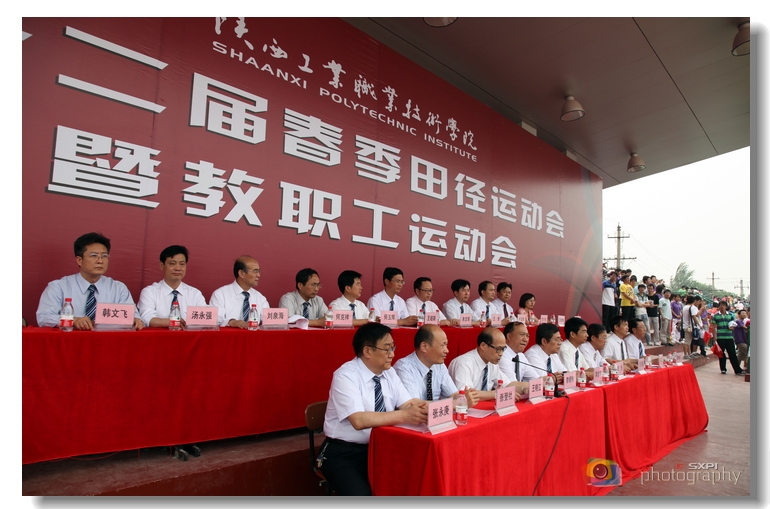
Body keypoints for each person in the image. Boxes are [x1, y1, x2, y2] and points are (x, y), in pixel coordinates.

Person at [319, 323, 427, 496]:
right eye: (387, 349)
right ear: (368, 351)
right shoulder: (346, 375)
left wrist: (431, 408)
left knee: (409, 484)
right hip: (345, 452)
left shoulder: (389, 372)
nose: (392, 354)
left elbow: (408, 404)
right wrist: (404, 415)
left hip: (382, 448)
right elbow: (359, 420)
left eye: (393, 347)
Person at [36, 232, 143, 330]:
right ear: (79, 260)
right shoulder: (58, 287)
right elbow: (44, 317)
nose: (100, 261)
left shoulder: (118, 288)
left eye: (104, 256)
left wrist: (135, 320)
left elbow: (133, 316)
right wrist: (73, 320)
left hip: (107, 341)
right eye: (94, 256)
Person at [393, 324, 479, 406]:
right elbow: (415, 404)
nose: (447, 350)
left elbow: (452, 394)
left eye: (446, 345)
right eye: (442, 345)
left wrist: (463, 397)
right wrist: (457, 403)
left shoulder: (439, 365)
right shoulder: (404, 368)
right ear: (424, 347)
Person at [137, 245, 207, 328]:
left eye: (182, 264)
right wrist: (173, 322)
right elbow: (147, 318)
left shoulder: (195, 294)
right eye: (172, 264)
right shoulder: (150, 292)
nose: (178, 268)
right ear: (162, 265)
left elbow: (206, 319)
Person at [447, 327, 520, 400]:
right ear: (483, 346)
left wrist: (524, 388)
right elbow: (466, 395)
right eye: (498, 349)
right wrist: (497, 394)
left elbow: (508, 385)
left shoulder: (491, 363)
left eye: (503, 349)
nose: (501, 354)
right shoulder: (463, 363)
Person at [209, 256, 269, 328]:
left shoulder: (260, 298)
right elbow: (216, 319)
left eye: (259, 271)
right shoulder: (220, 294)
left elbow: (269, 321)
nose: (258, 275)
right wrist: (231, 322)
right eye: (255, 271)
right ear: (241, 273)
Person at [499, 321, 540, 386]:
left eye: (527, 336)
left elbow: (536, 378)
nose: (525, 339)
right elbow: (512, 384)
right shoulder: (501, 355)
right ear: (509, 336)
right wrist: (540, 383)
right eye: (522, 335)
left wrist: (549, 379)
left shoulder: (520, 356)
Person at [711, 300, 744, 375]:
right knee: (721, 354)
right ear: (719, 307)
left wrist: (732, 327)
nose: (722, 306)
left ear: (726, 306)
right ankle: (723, 369)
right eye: (721, 305)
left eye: (723, 305)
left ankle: (737, 370)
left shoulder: (731, 315)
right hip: (720, 337)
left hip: (729, 337)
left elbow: (733, 324)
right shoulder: (715, 316)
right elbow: (713, 326)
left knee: (732, 354)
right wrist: (714, 336)